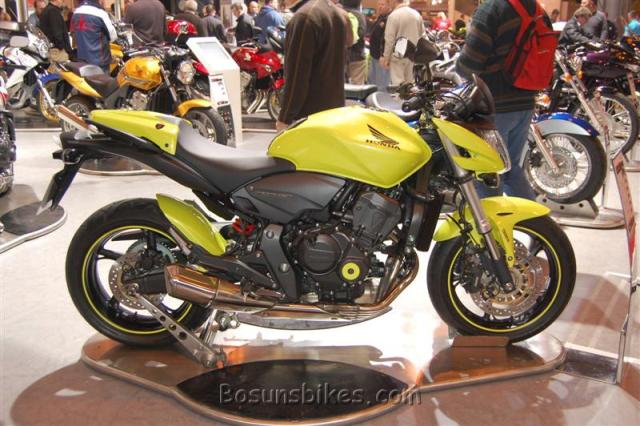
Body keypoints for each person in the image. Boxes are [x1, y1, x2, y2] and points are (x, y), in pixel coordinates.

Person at [456, 0, 553, 200]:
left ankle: (489, 220)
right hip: (526, 101)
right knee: (511, 170)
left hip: (494, 106)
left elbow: (469, 63)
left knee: (488, 174)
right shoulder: (537, 9)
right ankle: (536, 219)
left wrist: (458, 66)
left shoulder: (492, 9)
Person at [276, 0, 350, 131]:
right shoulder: (334, 12)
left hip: (309, 117)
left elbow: (297, 75)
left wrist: (285, 117)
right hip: (333, 112)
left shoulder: (305, 18)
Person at [381, 0, 424, 86]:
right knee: (410, 84)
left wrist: (386, 57)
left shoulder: (393, 16)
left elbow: (389, 39)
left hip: (398, 56)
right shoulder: (416, 14)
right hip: (413, 56)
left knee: (398, 85)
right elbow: (422, 36)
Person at [71, 0, 117, 72]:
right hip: (99, 60)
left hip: (82, 59)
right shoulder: (100, 13)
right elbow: (113, 36)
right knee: (102, 78)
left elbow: (73, 33)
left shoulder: (76, 12)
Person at [367, 0, 391, 90]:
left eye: (382, 4)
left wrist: (383, 55)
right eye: (379, 4)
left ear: (388, 5)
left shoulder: (389, 18)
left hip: (381, 56)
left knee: (381, 83)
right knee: (372, 81)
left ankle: (382, 98)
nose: (380, 7)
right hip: (374, 54)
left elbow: (387, 38)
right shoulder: (380, 17)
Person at [343, 0, 366, 84]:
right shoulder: (360, 16)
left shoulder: (339, 13)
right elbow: (362, 33)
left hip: (341, 54)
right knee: (357, 85)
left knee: (341, 83)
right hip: (357, 54)